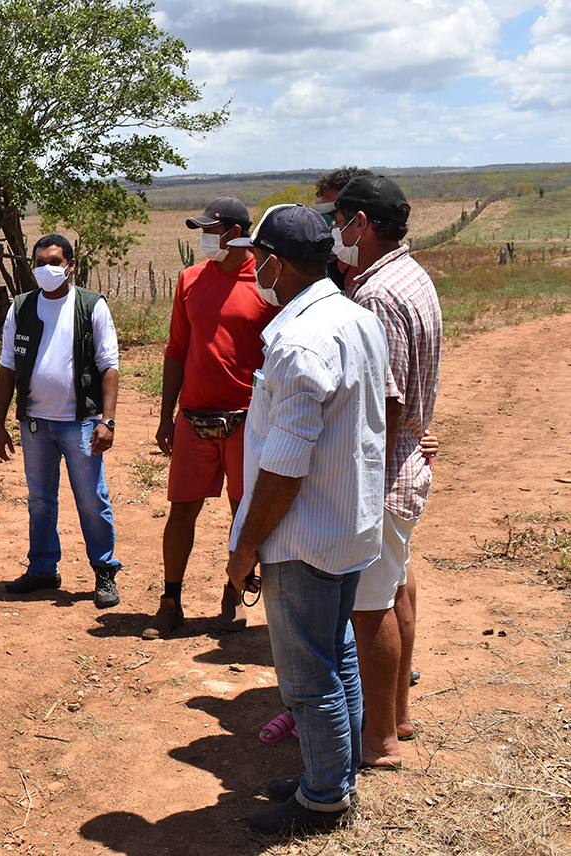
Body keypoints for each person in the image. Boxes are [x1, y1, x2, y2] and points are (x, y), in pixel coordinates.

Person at [222, 205, 388, 834]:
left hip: (304, 535)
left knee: (308, 678)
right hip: (348, 523)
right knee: (336, 657)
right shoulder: (354, 318)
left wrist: (246, 549)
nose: (252, 266)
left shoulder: (299, 341)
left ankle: (323, 800)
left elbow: (285, 469)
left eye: (258, 256)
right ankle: (331, 775)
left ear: (278, 264)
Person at [333, 175, 442, 768]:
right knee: (394, 585)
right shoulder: (411, 276)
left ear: (363, 224)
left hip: (382, 474)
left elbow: (388, 400)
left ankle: (379, 741)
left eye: (340, 220)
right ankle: (396, 714)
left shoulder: (376, 295)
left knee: (369, 605)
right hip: (407, 465)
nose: (335, 232)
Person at [144, 197, 278, 639]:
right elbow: (176, 351)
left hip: (248, 419)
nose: (204, 239)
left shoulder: (266, 282)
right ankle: (170, 600)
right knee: (181, 511)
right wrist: (166, 416)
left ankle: (234, 592)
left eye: (212, 230)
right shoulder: (189, 280)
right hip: (194, 417)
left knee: (243, 512)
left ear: (238, 233)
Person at [0, 234, 124, 608]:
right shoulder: (21, 307)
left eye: (54, 262)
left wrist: (107, 421)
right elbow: (7, 368)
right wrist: (0, 423)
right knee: (40, 500)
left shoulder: (90, 305)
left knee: (91, 500)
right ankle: (43, 569)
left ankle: (104, 572)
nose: (46, 269)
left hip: (80, 423)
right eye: (39, 263)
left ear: (71, 266)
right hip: (35, 424)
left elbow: (109, 366)